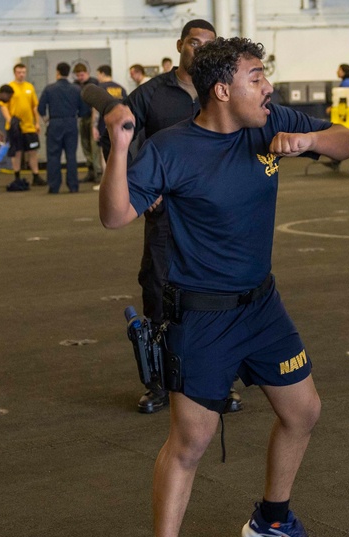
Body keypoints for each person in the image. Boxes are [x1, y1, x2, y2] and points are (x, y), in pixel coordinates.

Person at [100, 35, 349, 537]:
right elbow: (116, 215)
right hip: (202, 315)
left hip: (262, 306)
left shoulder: (269, 122)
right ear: (222, 89)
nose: (267, 87)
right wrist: (119, 147)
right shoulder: (170, 149)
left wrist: (312, 139)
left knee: (304, 411)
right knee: (190, 442)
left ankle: (273, 521)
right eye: (255, 77)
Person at [105, 20, 235, 414]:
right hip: (165, 214)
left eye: (207, 44)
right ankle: (160, 383)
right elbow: (119, 142)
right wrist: (141, 188)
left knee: (219, 295)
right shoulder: (150, 94)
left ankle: (215, 382)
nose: (199, 49)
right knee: (158, 290)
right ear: (180, 44)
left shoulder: (224, 90)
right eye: (193, 42)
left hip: (214, 215)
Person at [37, 62, 90, 194]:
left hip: (55, 123)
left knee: (53, 155)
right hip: (71, 122)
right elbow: (84, 110)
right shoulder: (76, 89)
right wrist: (75, 117)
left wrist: (46, 120)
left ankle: (54, 186)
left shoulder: (49, 89)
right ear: (69, 73)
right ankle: (73, 186)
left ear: (57, 72)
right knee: (71, 155)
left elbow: (40, 108)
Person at [0, 63, 46, 190]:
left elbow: (34, 106)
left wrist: (37, 122)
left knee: (33, 152)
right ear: (15, 73)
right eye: (19, 72)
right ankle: (17, 176)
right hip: (15, 128)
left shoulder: (29, 87)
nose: (21, 74)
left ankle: (36, 176)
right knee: (17, 152)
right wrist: (10, 121)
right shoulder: (10, 87)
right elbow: (3, 106)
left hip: (29, 127)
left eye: (23, 72)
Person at [92, 65, 126, 182]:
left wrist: (94, 127)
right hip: (122, 125)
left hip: (104, 124)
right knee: (121, 152)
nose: (98, 77)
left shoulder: (99, 88)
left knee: (104, 153)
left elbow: (95, 110)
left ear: (102, 73)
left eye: (98, 74)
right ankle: (121, 181)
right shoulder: (121, 88)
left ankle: (106, 183)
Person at [73, 64, 102, 183]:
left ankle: (98, 172)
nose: (80, 77)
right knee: (85, 145)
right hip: (82, 117)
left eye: (82, 75)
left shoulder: (94, 82)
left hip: (93, 117)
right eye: (78, 75)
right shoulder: (75, 85)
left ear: (87, 73)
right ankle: (90, 170)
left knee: (94, 145)